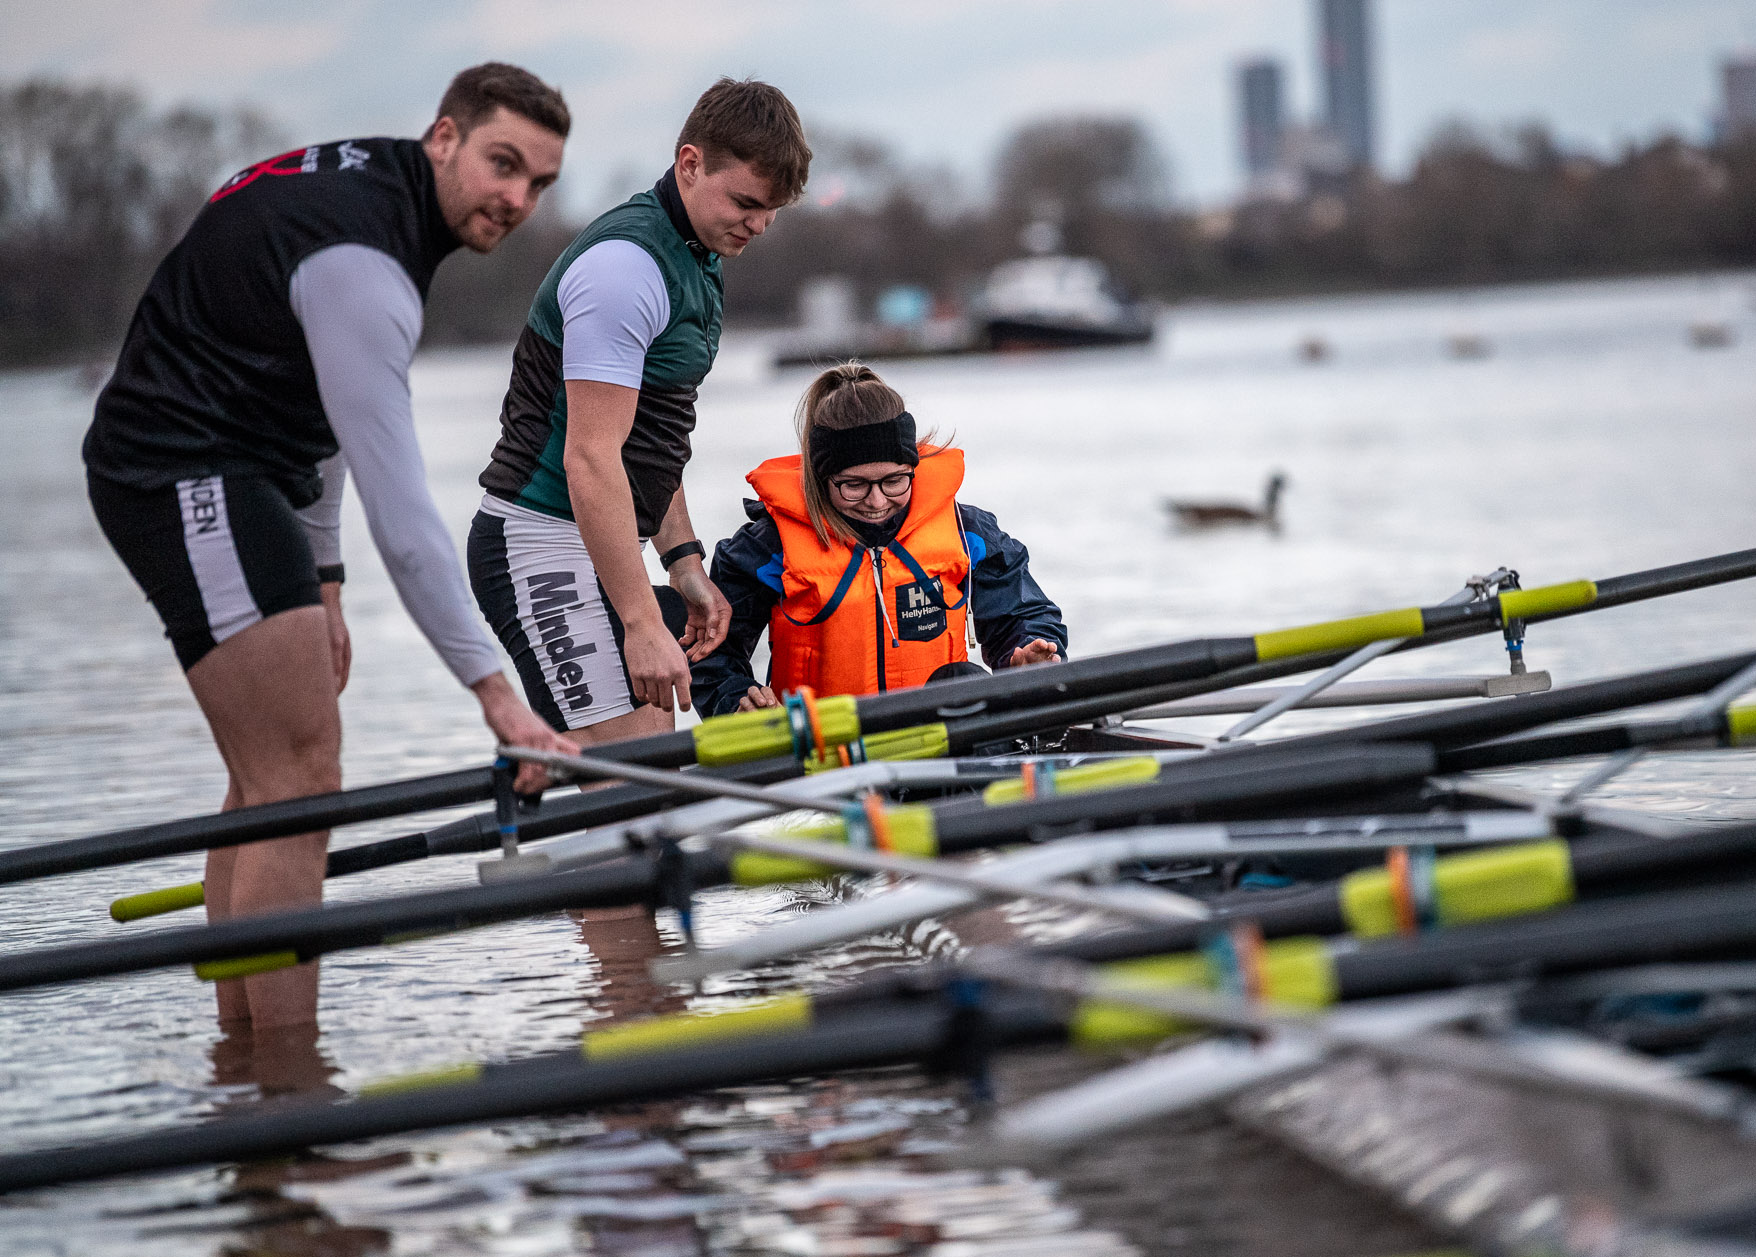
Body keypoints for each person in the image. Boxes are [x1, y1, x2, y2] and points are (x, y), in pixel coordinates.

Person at [81, 63, 579, 1036]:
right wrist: (497, 696)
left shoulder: (375, 196)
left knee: (267, 776)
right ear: (445, 138)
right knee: (298, 776)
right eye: (501, 164)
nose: (516, 199)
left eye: (539, 183)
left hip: (234, 467)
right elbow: (407, 516)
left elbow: (327, 412)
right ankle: (288, 1077)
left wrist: (324, 581)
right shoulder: (369, 263)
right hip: (181, 467)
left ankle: (245, 1071)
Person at [468, 78, 810, 750]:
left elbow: (648, 441)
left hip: (596, 539)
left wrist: (682, 563)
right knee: (633, 778)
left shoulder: (697, 253)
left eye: (773, 210)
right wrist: (640, 619)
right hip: (540, 540)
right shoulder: (625, 269)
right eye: (745, 201)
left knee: (651, 759)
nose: (759, 224)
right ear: (690, 164)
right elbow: (591, 458)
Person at [691, 363, 1066, 717]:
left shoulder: (969, 532)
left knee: (964, 679)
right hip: (825, 757)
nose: (876, 501)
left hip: (945, 743)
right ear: (822, 478)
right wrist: (735, 699)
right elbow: (710, 656)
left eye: (893, 481)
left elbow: (1023, 615)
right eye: (853, 485)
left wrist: (1027, 654)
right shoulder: (766, 547)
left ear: (912, 468)